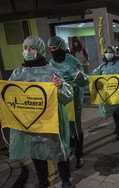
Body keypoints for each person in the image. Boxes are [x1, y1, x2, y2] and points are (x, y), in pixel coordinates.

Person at [0, 36, 74, 188]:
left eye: (32, 48)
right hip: (29, 122)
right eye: (25, 47)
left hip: (50, 120)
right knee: (36, 151)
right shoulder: (18, 73)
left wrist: (60, 87)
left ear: (40, 51)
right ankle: (43, 182)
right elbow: (9, 96)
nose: (27, 51)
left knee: (59, 151)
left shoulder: (52, 71)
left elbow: (67, 97)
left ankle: (65, 181)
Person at [47, 36, 90, 169]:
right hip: (59, 98)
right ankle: (71, 145)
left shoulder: (72, 60)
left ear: (60, 47)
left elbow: (84, 80)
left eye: (54, 48)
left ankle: (79, 154)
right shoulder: (51, 62)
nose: (53, 51)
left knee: (75, 126)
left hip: (73, 97)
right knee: (64, 125)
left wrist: (80, 77)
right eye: (50, 49)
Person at [91, 45, 119, 140]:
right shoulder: (103, 65)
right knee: (113, 112)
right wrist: (84, 77)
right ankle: (117, 126)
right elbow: (94, 74)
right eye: (106, 52)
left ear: (114, 53)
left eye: (110, 52)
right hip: (108, 93)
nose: (108, 54)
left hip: (117, 92)